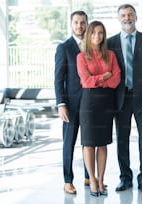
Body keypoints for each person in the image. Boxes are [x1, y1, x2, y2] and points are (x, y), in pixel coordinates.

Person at [107, 4, 142, 194]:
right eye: (123, 15)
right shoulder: (110, 43)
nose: (127, 18)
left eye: (130, 15)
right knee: (122, 139)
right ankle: (125, 178)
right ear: (119, 18)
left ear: (136, 17)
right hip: (120, 99)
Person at [76, 21, 121, 197]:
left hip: (106, 103)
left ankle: (102, 180)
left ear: (104, 35)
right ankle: (92, 180)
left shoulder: (110, 55)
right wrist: (104, 76)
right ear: (88, 35)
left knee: (102, 143)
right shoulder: (81, 57)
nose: (97, 36)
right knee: (88, 143)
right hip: (88, 103)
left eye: (101, 33)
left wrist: (97, 79)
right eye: (94, 32)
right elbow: (85, 81)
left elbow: (116, 79)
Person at [54, 10, 89, 194]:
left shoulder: (92, 46)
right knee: (69, 142)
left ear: (87, 24)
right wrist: (61, 104)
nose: (79, 26)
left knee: (88, 141)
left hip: (90, 104)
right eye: (76, 22)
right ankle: (68, 180)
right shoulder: (64, 47)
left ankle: (88, 176)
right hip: (71, 105)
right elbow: (58, 79)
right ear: (71, 24)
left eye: (83, 22)